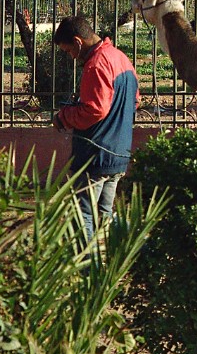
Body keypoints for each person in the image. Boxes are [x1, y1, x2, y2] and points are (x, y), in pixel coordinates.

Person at [53, 15, 139, 242]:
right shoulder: (121, 58)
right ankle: (133, 254)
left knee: (82, 216)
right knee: (104, 215)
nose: (71, 56)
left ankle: (86, 271)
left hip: (95, 156)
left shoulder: (96, 64)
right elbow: (135, 100)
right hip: (119, 153)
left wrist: (64, 116)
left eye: (68, 50)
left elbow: (95, 110)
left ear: (78, 42)